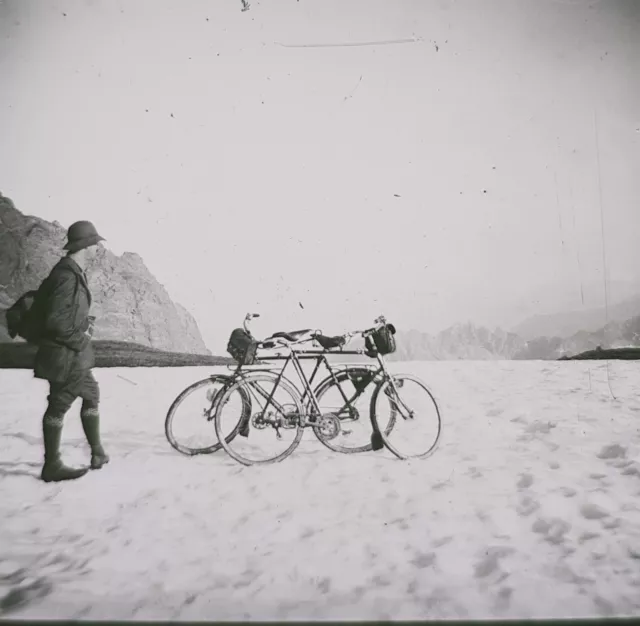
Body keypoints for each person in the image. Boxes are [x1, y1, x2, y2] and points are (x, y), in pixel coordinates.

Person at [34, 220, 110, 483]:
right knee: (58, 406)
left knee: (91, 394)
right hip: (67, 357)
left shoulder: (72, 271)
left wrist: (83, 326)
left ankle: (98, 453)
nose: (98, 249)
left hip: (73, 356)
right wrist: (81, 338)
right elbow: (56, 321)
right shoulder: (66, 276)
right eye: (95, 245)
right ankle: (52, 465)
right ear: (85, 246)